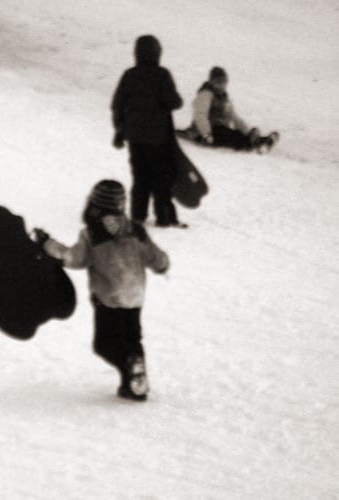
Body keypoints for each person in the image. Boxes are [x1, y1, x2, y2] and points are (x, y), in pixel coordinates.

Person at [35, 180, 169, 401]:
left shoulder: (92, 234)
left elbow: (74, 259)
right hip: (135, 295)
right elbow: (156, 257)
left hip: (109, 297)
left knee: (105, 344)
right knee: (132, 339)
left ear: (94, 205)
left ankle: (129, 365)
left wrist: (48, 244)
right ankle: (135, 385)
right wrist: (162, 265)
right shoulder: (136, 230)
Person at [111, 34, 184, 228]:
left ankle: (138, 216)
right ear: (157, 53)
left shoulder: (129, 75)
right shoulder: (162, 75)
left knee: (140, 176)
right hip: (158, 137)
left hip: (134, 137)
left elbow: (118, 105)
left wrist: (119, 130)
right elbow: (175, 102)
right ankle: (163, 217)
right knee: (161, 176)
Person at [179, 66, 279, 152]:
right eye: (218, 82)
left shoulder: (223, 98)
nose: (221, 86)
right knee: (230, 136)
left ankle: (258, 140)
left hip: (218, 129)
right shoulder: (205, 95)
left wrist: (247, 131)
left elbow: (234, 117)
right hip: (202, 134)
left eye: (223, 82)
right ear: (211, 82)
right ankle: (256, 144)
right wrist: (206, 134)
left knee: (233, 134)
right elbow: (200, 115)